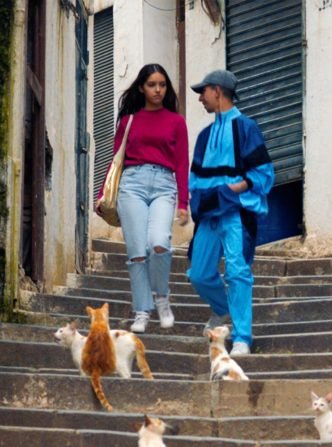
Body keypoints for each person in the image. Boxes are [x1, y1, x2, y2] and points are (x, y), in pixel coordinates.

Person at [186, 69, 274, 356]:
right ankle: (223, 309)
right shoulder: (204, 135)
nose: (200, 98)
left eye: (204, 91)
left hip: (236, 212)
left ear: (218, 91)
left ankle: (241, 337)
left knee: (237, 271)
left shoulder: (247, 127)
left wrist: (237, 188)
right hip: (209, 214)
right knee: (198, 273)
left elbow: (263, 173)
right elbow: (195, 179)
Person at [96, 63, 189, 333]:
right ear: (141, 88)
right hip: (131, 186)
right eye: (152, 85)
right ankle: (141, 311)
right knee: (137, 253)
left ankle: (161, 297)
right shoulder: (129, 121)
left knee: (159, 243)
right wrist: (103, 194)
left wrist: (183, 202)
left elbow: (182, 163)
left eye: (162, 85)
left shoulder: (176, 122)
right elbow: (116, 161)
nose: (158, 89)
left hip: (163, 185)